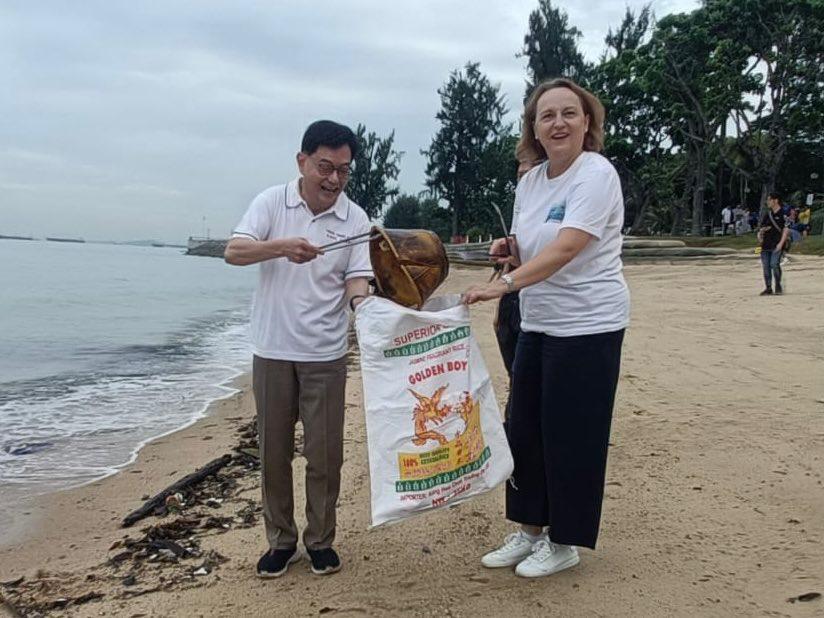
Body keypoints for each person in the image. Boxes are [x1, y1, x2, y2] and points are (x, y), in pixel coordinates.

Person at [462, 78, 630, 578]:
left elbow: (567, 246)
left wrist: (504, 284)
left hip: (588, 325)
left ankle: (565, 540)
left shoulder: (595, 175)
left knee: (571, 434)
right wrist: (508, 252)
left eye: (569, 114)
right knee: (525, 430)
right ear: (533, 127)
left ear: (587, 123)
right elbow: (534, 243)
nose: (558, 123)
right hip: (539, 323)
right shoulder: (531, 181)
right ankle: (529, 529)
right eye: (546, 115)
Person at [225, 120, 372, 578]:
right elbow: (234, 251)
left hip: (325, 353)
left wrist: (364, 307)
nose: (333, 179)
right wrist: (280, 247)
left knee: (325, 454)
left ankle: (320, 540)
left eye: (344, 171)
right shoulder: (272, 202)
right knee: (272, 453)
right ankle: (280, 541)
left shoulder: (356, 218)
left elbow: (357, 278)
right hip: (271, 350)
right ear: (302, 161)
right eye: (325, 167)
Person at [757, 192, 789, 295]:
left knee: (774, 264)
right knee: (766, 266)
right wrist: (761, 234)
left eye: (769, 200)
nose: (768, 202)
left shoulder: (783, 214)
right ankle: (768, 287)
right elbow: (761, 228)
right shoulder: (768, 214)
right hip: (765, 244)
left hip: (776, 244)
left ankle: (778, 285)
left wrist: (781, 243)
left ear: (776, 200)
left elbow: (786, 229)